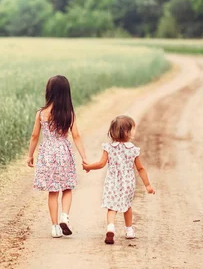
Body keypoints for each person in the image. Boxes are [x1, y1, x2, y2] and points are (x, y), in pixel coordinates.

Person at [27, 75, 88, 238]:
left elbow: (34, 136)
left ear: (49, 92)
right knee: (67, 187)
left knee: (53, 191)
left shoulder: (41, 113)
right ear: (66, 93)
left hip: (47, 153)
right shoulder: (69, 113)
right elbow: (76, 136)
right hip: (64, 153)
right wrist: (84, 157)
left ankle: (55, 227)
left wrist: (30, 155)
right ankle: (64, 217)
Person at [82, 115, 155, 245]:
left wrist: (88, 167)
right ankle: (129, 230)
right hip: (127, 184)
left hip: (112, 182)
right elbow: (141, 169)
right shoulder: (133, 150)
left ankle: (110, 227)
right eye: (133, 129)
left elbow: (101, 164)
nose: (134, 132)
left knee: (111, 207)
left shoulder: (109, 148)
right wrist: (148, 185)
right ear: (126, 132)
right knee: (127, 207)